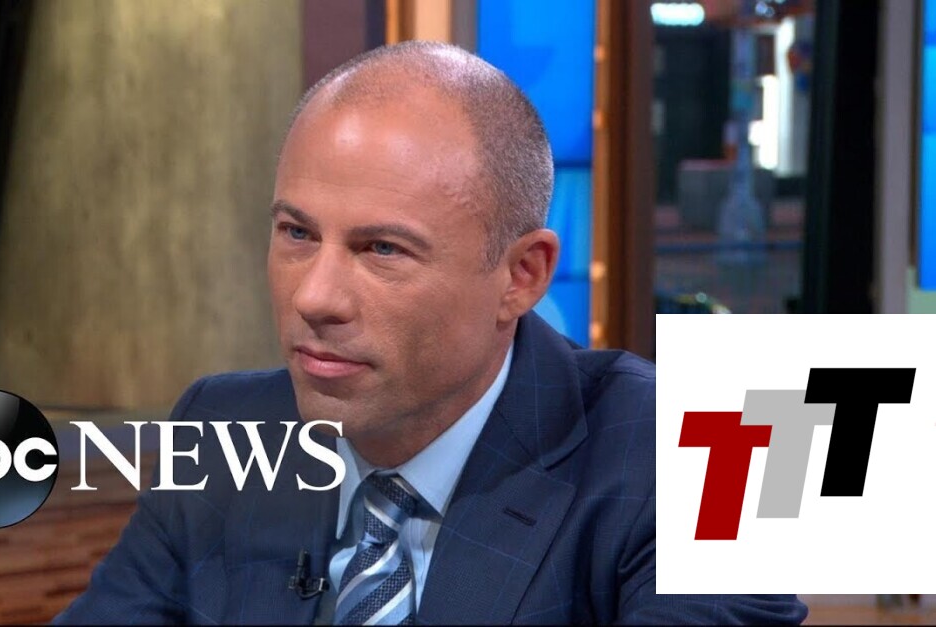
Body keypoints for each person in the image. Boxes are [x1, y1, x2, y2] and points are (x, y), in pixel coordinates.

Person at [55, 41, 807, 625]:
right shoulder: (226, 431)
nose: (314, 297)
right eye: (297, 233)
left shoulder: (699, 456)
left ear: (521, 276)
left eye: (382, 249)